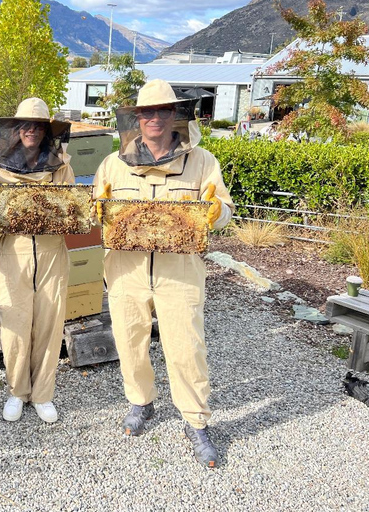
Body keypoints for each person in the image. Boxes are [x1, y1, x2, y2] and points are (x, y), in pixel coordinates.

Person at [93, 79, 234, 468]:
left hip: (180, 272)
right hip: (126, 270)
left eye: (162, 110)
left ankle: (196, 421)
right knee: (130, 341)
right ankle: (141, 402)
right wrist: (96, 206)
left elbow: (224, 210)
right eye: (146, 111)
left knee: (187, 348)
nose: (154, 117)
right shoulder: (113, 163)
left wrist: (216, 211)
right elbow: (96, 210)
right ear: (136, 118)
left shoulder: (202, 161)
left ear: (176, 115)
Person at [0, 98, 74, 423]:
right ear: (15, 129)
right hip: (13, 254)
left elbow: (71, 212)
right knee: (14, 327)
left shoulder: (61, 167)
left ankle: (43, 394)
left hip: (52, 254)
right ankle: (16, 391)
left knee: (50, 325)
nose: (31, 131)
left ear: (47, 131)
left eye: (38, 126)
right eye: (26, 125)